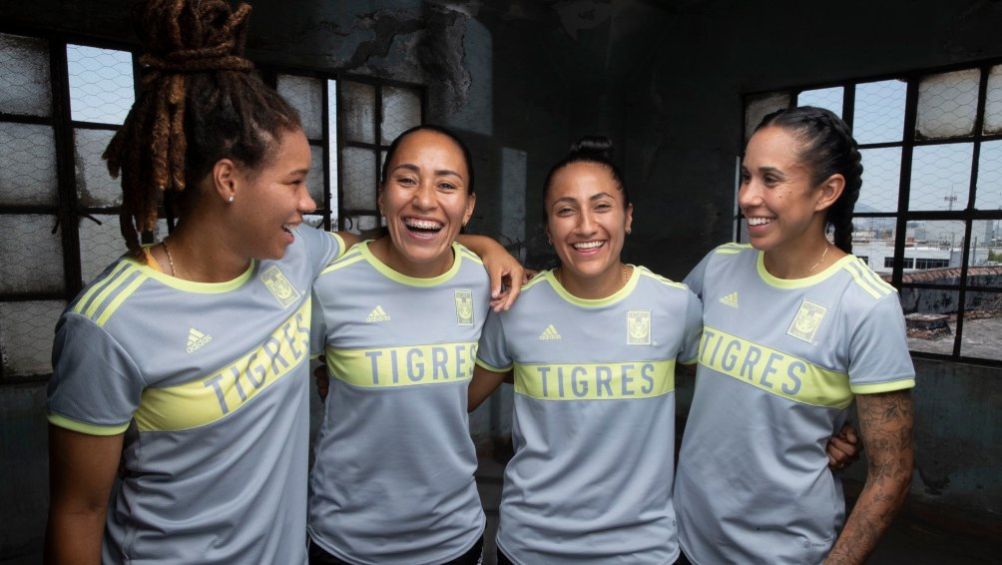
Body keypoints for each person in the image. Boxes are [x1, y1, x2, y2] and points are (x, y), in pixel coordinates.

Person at [43, 2, 522, 563]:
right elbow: (77, 511)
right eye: (295, 182)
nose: (309, 204)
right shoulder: (108, 323)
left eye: (447, 186)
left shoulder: (296, 259)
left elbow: (387, 240)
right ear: (228, 180)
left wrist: (486, 246)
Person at [674, 106, 915, 565]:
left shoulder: (865, 304)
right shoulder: (720, 266)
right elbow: (655, 345)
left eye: (770, 179)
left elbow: (893, 472)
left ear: (827, 190)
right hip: (686, 539)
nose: (747, 196)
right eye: (746, 177)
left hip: (784, 552)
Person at [469, 137, 703, 564]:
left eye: (601, 206)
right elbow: (455, 401)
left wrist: (825, 432)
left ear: (628, 216)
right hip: (532, 548)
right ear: (547, 227)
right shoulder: (515, 308)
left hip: (642, 551)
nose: (585, 226)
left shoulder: (675, 305)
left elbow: (732, 395)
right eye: (565, 210)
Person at [308, 125, 492, 564]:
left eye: (446, 185)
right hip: (347, 543)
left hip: (454, 540)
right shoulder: (331, 284)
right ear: (381, 195)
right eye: (407, 179)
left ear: (467, 208)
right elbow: (302, 377)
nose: (425, 199)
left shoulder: (484, 280)